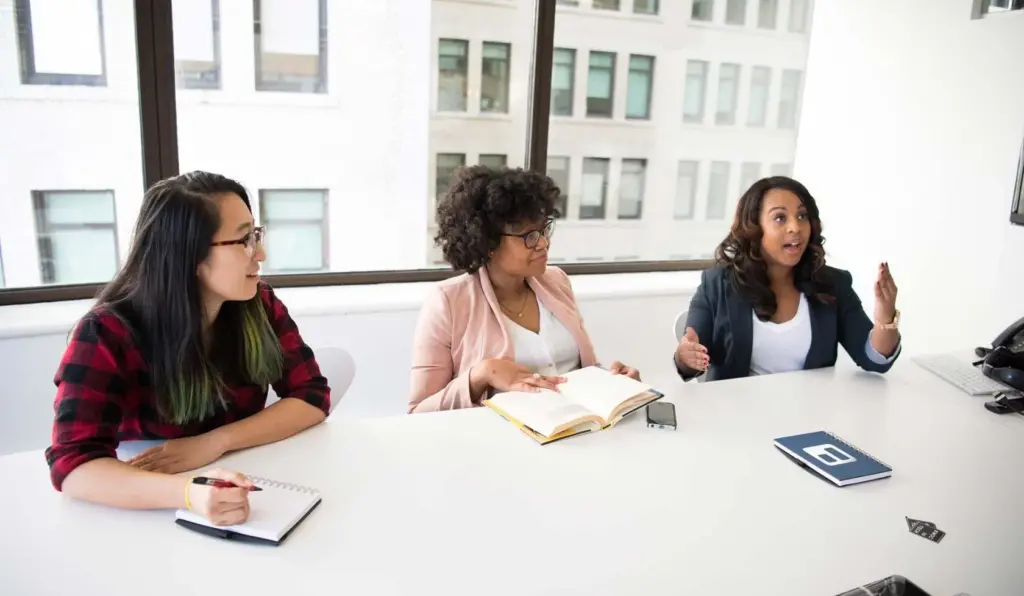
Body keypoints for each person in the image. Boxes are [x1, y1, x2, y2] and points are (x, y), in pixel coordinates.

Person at [45, 171, 332, 526]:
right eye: (243, 239)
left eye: (256, 234)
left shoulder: (260, 303)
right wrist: (188, 493)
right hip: (144, 511)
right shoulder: (106, 333)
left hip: (250, 486)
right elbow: (74, 466)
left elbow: (312, 396)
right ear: (189, 256)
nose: (261, 252)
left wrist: (216, 442)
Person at [409, 166, 640, 413]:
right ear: (489, 243)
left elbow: (577, 374)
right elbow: (419, 410)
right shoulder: (448, 302)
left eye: (544, 229)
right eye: (528, 236)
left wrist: (614, 382)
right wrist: (481, 375)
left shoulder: (557, 282)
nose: (543, 243)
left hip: (577, 431)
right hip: (501, 443)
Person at [674, 176, 901, 382]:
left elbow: (874, 361)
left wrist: (885, 315)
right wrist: (685, 357)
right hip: (736, 416)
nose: (796, 227)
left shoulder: (832, 284)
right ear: (754, 228)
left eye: (802, 216)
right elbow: (690, 361)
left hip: (809, 415)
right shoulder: (717, 284)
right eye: (780, 218)